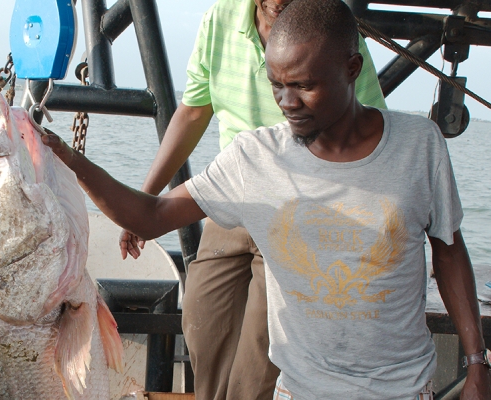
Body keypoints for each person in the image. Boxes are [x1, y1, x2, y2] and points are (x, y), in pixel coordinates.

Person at [42, 0, 491, 397]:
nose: (286, 102)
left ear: (352, 70)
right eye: (277, 85)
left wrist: (475, 363)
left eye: (304, 86)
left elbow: (449, 252)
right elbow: (153, 215)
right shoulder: (255, 156)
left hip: (402, 389)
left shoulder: (420, 145)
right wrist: (69, 158)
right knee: (204, 320)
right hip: (300, 390)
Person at [118, 1, 386, 398]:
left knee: (263, 350)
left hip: (298, 212)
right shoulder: (219, 18)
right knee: (200, 321)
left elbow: (368, 124)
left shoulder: (328, 27)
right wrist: (145, 199)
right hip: (232, 199)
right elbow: (193, 112)